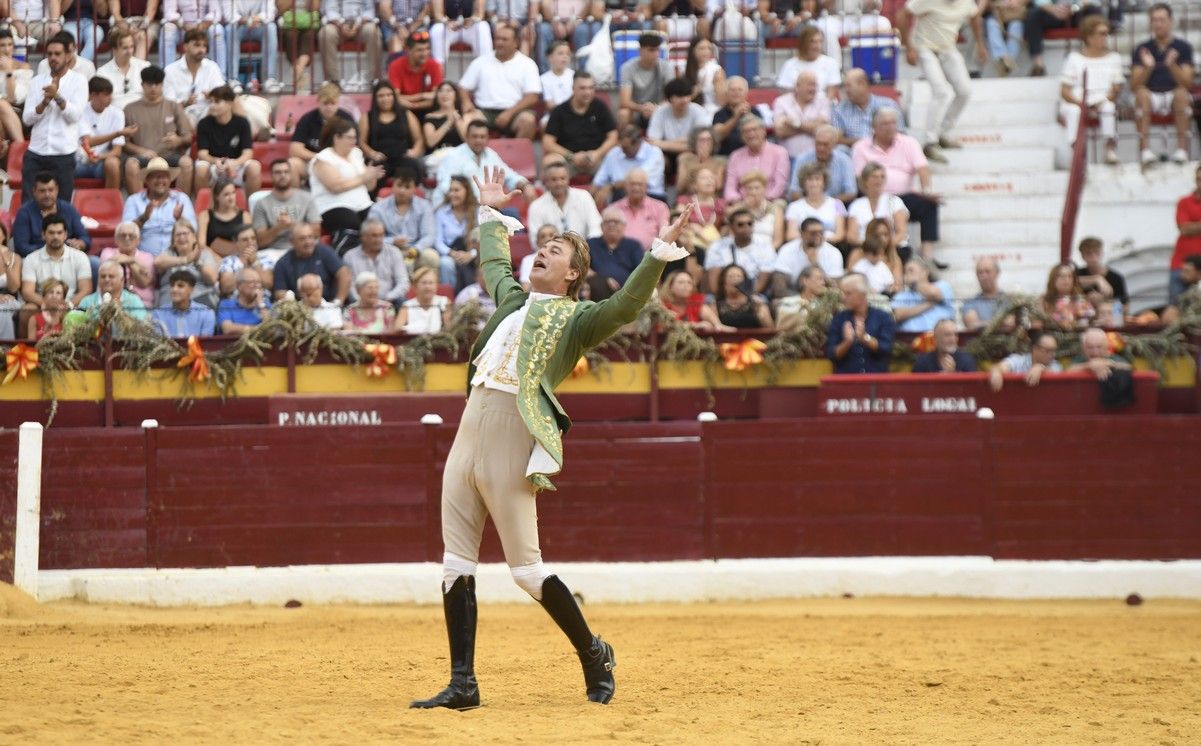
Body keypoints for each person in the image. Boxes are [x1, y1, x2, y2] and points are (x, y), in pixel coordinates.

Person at [409, 168, 694, 711]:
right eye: (541, 246)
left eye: (556, 249)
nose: (542, 251)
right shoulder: (512, 301)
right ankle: (463, 684)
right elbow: (494, 261)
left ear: (574, 274)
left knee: (525, 570)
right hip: (470, 428)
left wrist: (657, 255)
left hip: (514, 435)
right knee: (455, 562)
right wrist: (490, 215)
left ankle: (593, 652)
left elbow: (627, 306)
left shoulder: (581, 318)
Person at [851, 109, 943, 267]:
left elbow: (922, 169)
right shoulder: (861, 147)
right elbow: (860, 178)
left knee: (929, 204)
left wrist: (927, 191)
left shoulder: (909, 142)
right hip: (874, 196)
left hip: (904, 196)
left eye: (893, 123)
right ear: (874, 126)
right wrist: (875, 197)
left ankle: (928, 257)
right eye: (885, 123)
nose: (890, 127)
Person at [897, 0, 983, 164]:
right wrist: (908, 47)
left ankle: (941, 132)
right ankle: (930, 142)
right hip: (924, 47)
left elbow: (975, 17)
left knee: (965, 91)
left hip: (948, 47)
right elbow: (901, 15)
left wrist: (980, 44)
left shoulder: (967, 3)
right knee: (941, 92)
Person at [21, 32, 88, 203]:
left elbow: (75, 116)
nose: (53, 58)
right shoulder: (37, 81)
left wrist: (57, 97)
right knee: (29, 203)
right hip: (36, 151)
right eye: (49, 54)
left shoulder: (79, 81)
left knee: (62, 205)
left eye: (57, 54)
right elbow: (27, 119)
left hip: (63, 152)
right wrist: (44, 102)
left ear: (68, 56)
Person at [1131, 3, 1193, 166]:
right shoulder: (1142, 48)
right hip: (1150, 95)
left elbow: (1187, 83)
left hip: (1174, 94)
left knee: (1181, 93)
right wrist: (1148, 67)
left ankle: (1182, 151)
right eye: (1154, 20)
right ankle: (1145, 151)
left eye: (1161, 20)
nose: (1157, 24)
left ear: (1171, 21)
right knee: (1141, 93)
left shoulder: (1183, 47)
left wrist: (1172, 65)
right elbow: (1134, 85)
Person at [458, 22, 541, 140]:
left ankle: (516, 157)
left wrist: (510, 113)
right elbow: (463, 87)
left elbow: (533, 96)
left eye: (504, 39)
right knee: (466, 121)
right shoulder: (480, 62)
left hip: (515, 112)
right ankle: (473, 158)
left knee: (528, 121)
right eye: (497, 39)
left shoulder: (527, 64)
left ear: (516, 42)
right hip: (484, 111)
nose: (499, 43)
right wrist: (466, 102)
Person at [309, 117, 384, 246]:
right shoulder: (323, 158)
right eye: (349, 138)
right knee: (351, 224)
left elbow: (369, 187)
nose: (353, 142)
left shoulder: (356, 154)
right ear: (336, 138)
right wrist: (363, 178)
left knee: (379, 219)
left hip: (362, 203)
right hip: (333, 206)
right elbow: (335, 186)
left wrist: (372, 177)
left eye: (355, 138)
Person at [122, 65, 195, 195]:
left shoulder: (174, 106)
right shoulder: (130, 109)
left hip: (170, 155)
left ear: (162, 85)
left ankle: (181, 207)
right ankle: (139, 210)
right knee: (130, 165)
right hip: (143, 156)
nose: (153, 88)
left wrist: (178, 141)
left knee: (187, 163)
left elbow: (188, 137)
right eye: (149, 84)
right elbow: (123, 142)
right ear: (142, 85)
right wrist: (141, 151)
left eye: (157, 84)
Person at [1059, 15, 1122, 164]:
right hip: (1076, 100)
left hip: (1102, 100)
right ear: (1089, 36)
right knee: (1074, 111)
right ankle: (1077, 153)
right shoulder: (1073, 58)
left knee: (1109, 108)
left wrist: (1103, 101)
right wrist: (1080, 103)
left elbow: (1116, 88)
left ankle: (1109, 150)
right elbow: (1064, 90)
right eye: (1101, 33)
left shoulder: (1114, 58)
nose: (1105, 37)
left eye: (1106, 33)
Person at [432, 119, 535, 207]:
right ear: (467, 137)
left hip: (483, 209)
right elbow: (445, 186)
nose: (478, 140)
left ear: (487, 138)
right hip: (456, 209)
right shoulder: (453, 156)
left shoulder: (491, 155)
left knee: (512, 216)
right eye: (475, 136)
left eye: (482, 137)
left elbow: (509, 175)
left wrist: (525, 186)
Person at [19, 215, 93, 331]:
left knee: (86, 309)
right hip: (41, 304)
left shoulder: (80, 257)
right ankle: (26, 348)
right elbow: (27, 291)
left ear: (65, 235)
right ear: (43, 235)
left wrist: (67, 304)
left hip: (71, 303)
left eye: (59, 233)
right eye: (51, 233)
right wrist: (48, 304)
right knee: (27, 310)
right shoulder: (31, 259)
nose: (56, 236)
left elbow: (86, 289)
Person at [542, 72, 618, 177]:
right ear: (573, 89)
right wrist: (571, 156)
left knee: (617, 161)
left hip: (596, 159)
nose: (588, 92)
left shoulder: (600, 107)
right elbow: (548, 142)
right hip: (569, 160)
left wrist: (597, 154)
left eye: (591, 88)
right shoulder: (559, 111)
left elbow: (613, 136)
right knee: (549, 161)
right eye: (583, 88)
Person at [368, 165, 440, 276]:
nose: (402, 191)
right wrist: (392, 241)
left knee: (431, 257)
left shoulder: (424, 206)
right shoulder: (378, 208)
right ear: (392, 185)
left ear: (414, 189)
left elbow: (429, 236)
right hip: (388, 250)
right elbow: (371, 237)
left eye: (407, 187)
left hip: (415, 251)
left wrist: (415, 250)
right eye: (399, 185)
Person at [195, 85, 261, 195]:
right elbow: (202, 154)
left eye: (217, 101)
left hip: (236, 164)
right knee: (201, 169)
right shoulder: (204, 123)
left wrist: (234, 163)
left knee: (255, 167)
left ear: (229, 103)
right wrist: (216, 161)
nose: (212, 105)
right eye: (210, 101)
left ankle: (251, 209)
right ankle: (204, 209)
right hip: (214, 164)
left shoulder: (242, 123)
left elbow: (248, 153)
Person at [289, 82, 356, 188]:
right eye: (325, 103)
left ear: (338, 102)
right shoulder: (307, 119)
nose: (329, 107)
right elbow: (294, 149)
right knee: (292, 164)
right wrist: (321, 158)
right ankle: (298, 201)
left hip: (340, 162)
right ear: (318, 102)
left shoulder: (347, 119)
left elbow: (354, 147)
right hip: (314, 161)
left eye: (333, 103)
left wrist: (334, 160)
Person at [252, 160, 322, 262]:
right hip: (273, 251)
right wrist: (278, 228)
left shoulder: (307, 198)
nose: (282, 175)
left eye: (286, 172)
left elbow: (316, 232)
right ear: (271, 175)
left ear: (291, 174)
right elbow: (260, 241)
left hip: (303, 250)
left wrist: (292, 225)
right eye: (278, 172)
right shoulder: (261, 203)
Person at [360, 80, 425, 187]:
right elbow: (361, 142)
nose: (385, 99)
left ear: (394, 96)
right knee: (373, 176)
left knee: (412, 167)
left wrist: (414, 152)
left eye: (389, 95)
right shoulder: (367, 117)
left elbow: (419, 139)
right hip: (380, 159)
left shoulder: (407, 114)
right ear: (375, 98)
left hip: (403, 158)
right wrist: (371, 153)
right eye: (381, 96)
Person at [827, 272, 895, 374]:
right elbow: (832, 355)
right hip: (847, 382)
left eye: (848, 293)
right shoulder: (839, 318)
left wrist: (865, 338)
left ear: (862, 294)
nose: (843, 298)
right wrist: (847, 342)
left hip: (876, 381)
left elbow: (886, 349)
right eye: (843, 293)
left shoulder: (883, 317)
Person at [12, 172, 91, 258]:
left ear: (57, 189)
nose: (47, 195)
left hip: (68, 257)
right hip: (37, 259)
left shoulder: (68, 209)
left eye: (50, 190)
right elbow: (21, 246)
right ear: (34, 191)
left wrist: (80, 243)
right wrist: (50, 251)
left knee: (94, 263)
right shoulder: (24, 212)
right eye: (42, 191)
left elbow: (85, 237)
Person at [845, 162, 910, 259]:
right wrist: (871, 247)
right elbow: (851, 236)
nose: (879, 180)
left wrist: (885, 248)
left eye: (882, 177)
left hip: (892, 249)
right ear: (865, 180)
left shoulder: (895, 201)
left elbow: (901, 233)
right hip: (865, 249)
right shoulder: (856, 205)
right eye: (874, 177)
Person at [77, 77, 133, 190]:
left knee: (113, 163)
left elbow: (117, 151)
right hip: (79, 162)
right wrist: (118, 133)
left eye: (110, 94)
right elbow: (89, 142)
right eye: (106, 95)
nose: (110, 98)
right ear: (93, 95)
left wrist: (99, 157)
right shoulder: (80, 110)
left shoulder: (117, 113)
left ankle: (111, 204)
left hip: (101, 163)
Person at [273, 223, 351, 303]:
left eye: (310, 237)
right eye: (302, 239)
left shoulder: (324, 252)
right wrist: (296, 308)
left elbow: (344, 273)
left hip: (329, 305)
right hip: (300, 307)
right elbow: (279, 292)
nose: (308, 242)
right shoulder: (283, 263)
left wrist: (338, 301)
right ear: (292, 242)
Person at [706, 207, 776, 296]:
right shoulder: (718, 246)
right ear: (731, 227)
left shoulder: (765, 246)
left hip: (753, 294)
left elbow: (762, 281)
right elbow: (714, 283)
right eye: (740, 224)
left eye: (749, 224)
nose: (746, 227)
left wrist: (745, 299)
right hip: (723, 294)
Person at [1025, 0, 1104, 78]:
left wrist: (1075, 8)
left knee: (1094, 11)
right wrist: (1053, 9)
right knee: (1033, 13)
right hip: (1052, 13)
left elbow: (1093, 2)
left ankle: (1095, 55)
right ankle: (1038, 65)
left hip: (1078, 12)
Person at [591, 125, 667, 206]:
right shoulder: (614, 153)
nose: (622, 151)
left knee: (622, 191)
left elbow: (636, 181)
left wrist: (611, 186)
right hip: (622, 197)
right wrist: (588, 196)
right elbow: (598, 181)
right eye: (621, 146)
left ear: (638, 143)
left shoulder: (654, 152)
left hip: (652, 197)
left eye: (625, 148)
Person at [830, 68, 906, 148]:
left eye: (848, 86)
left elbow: (900, 135)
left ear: (862, 84)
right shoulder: (839, 110)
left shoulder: (889, 105)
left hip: (886, 151)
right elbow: (837, 139)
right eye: (844, 86)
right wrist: (866, 143)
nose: (846, 90)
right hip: (852, 154)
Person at [162, 28, 226, 123]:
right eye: (197, 45)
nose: (201, 50)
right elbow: (168, 105)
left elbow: (223, 95)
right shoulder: (170, 70)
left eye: (204, 46)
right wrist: (185, 103)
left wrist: (212, 95)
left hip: (208, 113)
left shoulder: (212, 67)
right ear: (185, 47)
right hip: (182, 114)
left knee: (233, 102)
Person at [318, 0, 382, 92]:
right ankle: (333, 81)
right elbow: (330, 9)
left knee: (373, 31)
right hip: (338, 24)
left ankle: (375, 79)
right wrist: (341, 24)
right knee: (325, 33)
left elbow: (369, 10)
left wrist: (358, 24)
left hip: (361, 24)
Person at [528, 161, 603, 240]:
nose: (559, 183)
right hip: (552, 250)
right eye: (554, 179)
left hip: (585, 249)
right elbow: (535, 239)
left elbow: (596, 226)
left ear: (568, 179)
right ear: (546, 181)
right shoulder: (536, 206)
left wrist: (588, 247)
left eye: (562, 178)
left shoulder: (584, 196)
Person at [343, 219, 411, 305]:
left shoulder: (394, 252)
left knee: (402, 302)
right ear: (363, 237)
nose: (378, 239)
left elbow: (403, 282)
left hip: (390, 300)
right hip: (361, 303)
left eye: (381, 235)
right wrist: (362, 302)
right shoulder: (350, 256)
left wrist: (388, 298)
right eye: (374, 236)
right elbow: (350, 286)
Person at [154, 218, 220, 308]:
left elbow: (212, 279)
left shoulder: (203, 254)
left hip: (200, 300)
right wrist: (185, 260)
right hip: (170, 302)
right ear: (173, 241)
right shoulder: (169, 253)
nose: (182, 237)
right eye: (178, 235)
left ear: (194, 238)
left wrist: (197, 262)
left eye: (185, 234)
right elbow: (157, 262)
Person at [772, 216, 844, 298]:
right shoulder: (787, 250)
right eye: (813, 233)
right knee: (776, 303)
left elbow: (835, 289)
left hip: (823, 298)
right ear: (802, 234)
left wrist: (815, 263)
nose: (818, 236)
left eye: (821, 233)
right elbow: (779, 288)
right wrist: (802, 300)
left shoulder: (833, 253)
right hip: (794, 297)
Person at [724, 117, 790, 204]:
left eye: (754, 129)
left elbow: (780, 184)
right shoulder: (735, 156)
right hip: (743, 203)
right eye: (746, 131)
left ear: (763, 131)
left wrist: (763, 201)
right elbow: (730, 187)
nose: (751, 134)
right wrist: (740, 202)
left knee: (779, 205)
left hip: (771, 201)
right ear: (742, 136)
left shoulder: (779, 152)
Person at [647, 77, 713, 163]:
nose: (685, 100)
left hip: (693, 153)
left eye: (687, 95)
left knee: (684, 157)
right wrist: (684, 142)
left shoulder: (699, 111)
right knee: (655, 156)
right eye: (680, 96)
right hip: (666, 153)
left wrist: (663, 143)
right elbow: (652, 141)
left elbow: (697, 144)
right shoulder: (660, 111)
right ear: (669, 98)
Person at [434, 175, 480, 291]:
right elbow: (438, 241)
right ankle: (453, 296)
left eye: (457, 190)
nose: (452, 194)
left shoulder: (476, 211)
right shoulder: (441, 213)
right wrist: (452, 253)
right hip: (450, 252)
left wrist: (471, 254)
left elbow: (482, 239)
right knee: (445, 263)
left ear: (467, 192)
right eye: (451, 190)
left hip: (473, 254)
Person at [618, 32, 673, 129]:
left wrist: (656, 108)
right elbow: (625, 101)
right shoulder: (627, 68)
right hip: (637, 110)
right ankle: (624, 142)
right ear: (640, 50)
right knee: (623, 113)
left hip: (660, 109)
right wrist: (642, 108)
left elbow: (672, 97)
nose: (656, 54)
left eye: (657, 50)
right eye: (651, 50)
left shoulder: (666, 67)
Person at [226, 0, 282, 93]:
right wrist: (247, 20)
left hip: (259, 25)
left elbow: (270, 13)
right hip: (239, 26)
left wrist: (257, 18)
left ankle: (269, 79)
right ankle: (233, 79)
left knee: (271, 27)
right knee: (230, 29)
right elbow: (229, 15)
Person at [772, 70, 829, 161]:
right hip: (788, 158)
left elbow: (822, 130)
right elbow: (780, 132)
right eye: (810, 85)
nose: (813, 89)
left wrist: (795, 123)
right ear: (797, 86)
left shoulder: (823, 102)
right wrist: (811, 128)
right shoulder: (781, 102)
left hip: (815, 158)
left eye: (815, 85)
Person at [535, 0, 605, 74]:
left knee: (583, 30)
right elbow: (545, 4)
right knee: (542, 30)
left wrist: (576, 20)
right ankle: (544, 73)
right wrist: (554, 21)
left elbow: (590, 4)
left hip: (580, 21)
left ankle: (584, 74)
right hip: (552, 21)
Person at [586, 208, 644, 294]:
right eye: (608, 222)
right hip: (596, 293)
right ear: (601, 226)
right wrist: (603, 279)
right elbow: (582, 268)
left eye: (616, 222)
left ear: (624, 226)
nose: (611, 225)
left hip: (627, 293)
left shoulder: (634, 246)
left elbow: (640, 272)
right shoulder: (590, 244)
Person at [610, 169, 670, 251]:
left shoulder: (660, 207)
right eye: (632, 184)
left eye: (640, 184)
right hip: (620, 258)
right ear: (625, 186)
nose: (636, 188)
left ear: (646, 186)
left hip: (650, 258)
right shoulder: (613, 209)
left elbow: (664, 234)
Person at [423, 81, 485, 160]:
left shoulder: (464, 116)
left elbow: (468, 140)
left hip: (460, 157)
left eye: (448, 91)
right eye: (440, 91)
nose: (444, 94)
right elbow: (430, 142)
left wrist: (457, 121)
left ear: (456, 96)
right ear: (437, 96)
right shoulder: (430, 117)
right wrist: (448, 122)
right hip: (437, 157)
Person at [160, 0, 226, 74]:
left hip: (204, 27)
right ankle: (165, 75)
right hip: (181, 27)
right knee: (167, 29)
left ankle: (221, 76)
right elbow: (169, 12)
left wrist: (203, 24)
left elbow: (216, 12)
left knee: (217, 30)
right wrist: (183, 24)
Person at [99, 222, 156, 308]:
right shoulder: (107, 252)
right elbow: (110, 264)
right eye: (123, 235)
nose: (127, 238)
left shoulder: (147, 257)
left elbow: (144, 282)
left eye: (131, 236)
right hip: (111, 303)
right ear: (116, 239)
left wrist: (129, 261)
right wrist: (134, 261)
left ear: (138, 240)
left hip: (142, 304)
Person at [785, 164, 846, 245]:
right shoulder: (794, 206)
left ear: (824, 182)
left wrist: (819, 240)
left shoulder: (837, 204)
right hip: (802, 246)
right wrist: (811, 241)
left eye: (817, 179)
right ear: (803, 183)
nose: (814, 183)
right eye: (809, 179)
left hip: (831, 246)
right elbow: (791, 235)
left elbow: (840, 235)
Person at [891, 256, 954, 333]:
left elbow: (934, 294)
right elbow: (898, 315)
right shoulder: (901, 295)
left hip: (938, 337)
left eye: (911, 270)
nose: (907, 274)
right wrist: (929, 304)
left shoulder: (942, 285)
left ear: (925, 272)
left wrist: (917, 284)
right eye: (905, 272)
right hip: (911, 339)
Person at [776, 26, 841, 99]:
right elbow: (786, 93)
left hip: (823, 106)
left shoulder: (831, 63)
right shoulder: (790, 64)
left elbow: (831, 94)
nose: (817, 46)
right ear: (803, 43)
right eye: (813, 42)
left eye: (820, 41)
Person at [388, 29, 442, 113]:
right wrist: (421, 96)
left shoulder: (434, 65)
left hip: (428, 109)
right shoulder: (396, 65)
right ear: (408, 50)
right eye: (420, 50)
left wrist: (415, 105)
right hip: (404, 109)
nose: (425, 53)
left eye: (427, 49)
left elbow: (436, 96)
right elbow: (394, 97)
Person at [988, 330, 1061, 392]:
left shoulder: (1055, 365)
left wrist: (1041, 368)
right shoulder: (1018, 360)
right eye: (1048, 350)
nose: (1052, 354)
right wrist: (996, 371)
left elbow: (1054, 373)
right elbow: (1000, 367)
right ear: (1034, 349)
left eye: (1054, 350)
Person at [77, 258, 149, 319]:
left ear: (122, 280)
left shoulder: (133, 301)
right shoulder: (87, 302)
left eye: (111, 276)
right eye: (103, 276)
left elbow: (140, 327)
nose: (107, 279)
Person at [660, 269, 729, 331]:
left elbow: (715, 324)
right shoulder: (662, 304)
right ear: (670, 286)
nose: (686, 286)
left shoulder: (696, 302)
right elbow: (667, 325)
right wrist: (695, 325)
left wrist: (717, 325)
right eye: (681, 282)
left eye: (689, 283)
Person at [710, 76, 763, 157]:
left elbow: (761, 136)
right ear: (726, 94)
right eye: (732, 90)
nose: (736, 93)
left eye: (740, 90)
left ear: (746, 94)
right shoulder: (719, 114)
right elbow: (717, 136)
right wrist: (735, 117)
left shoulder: (755, 112)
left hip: (752, 156)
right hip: (726, 157)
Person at [198, 179, 251, 259]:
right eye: (226, 194)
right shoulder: (205, 215)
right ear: (216, 197)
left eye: (233, 193)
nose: (231, 198)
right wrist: (218, 259)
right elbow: (201, 245)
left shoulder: (245, 216)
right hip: (211, 258)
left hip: (238, 258)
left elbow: (249, 243)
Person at [217, 224, 274, 298]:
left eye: (253, 238)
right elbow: (226, 288)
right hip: (235, 303)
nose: (250, 242)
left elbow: (268, 284)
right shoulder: (229, 261)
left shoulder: (265, 259)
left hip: (262, 302)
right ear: (235, 242)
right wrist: (244, 264)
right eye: (245, 240)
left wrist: (255, 262)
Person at [154, 269, 216, 335]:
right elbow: (158, 343)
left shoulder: (206, 313)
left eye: (180, 286)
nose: (174, 289)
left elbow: (205, 344)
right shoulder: (158, 314)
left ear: (191, 289)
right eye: (172, 285)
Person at [429, 0, 492, 65]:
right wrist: (447, 22)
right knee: (437, 29)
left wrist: (472, 20)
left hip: (469, 26)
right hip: (449, 26)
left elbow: (479, 14)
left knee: (483, 26)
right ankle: (438, 67)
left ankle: (485, 66)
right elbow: (438, 15)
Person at [1172, 165, 1201, 305]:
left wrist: (1193, 225)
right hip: (1181, 265)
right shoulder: (1184, 202)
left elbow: (1188, 228)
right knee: (1176, 307)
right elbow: (1184, 229)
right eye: (1198, 179)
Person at [1076, 236, 1128, 313]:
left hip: (1107, 322)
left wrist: (1104, 301)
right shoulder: (1077, 273)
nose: (1093, 257)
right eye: (1088, 253)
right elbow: (1071, 282)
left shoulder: (1116, 278)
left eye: (1096, 252)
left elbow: (1125, 308)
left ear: (1102, 253)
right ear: (1082, 256)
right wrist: (1096, 279)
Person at [713, 263, 773, 330]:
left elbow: (770, 330)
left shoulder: (756, 303)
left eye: (738, 276)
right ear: (723, 281)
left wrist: (761, 314)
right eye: (730, 276)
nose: (735, 279)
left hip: (754, 340)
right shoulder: (715, 305)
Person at [394, 265, 451, 334]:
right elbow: (396, 331)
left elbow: (450, 329)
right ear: (415, 286)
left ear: (437, 285)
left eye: (431, 283)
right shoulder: (406, 306)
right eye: (424, 283)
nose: (427, 287)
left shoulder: (444, 302)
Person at [216, 267, 272, 334]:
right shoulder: (226, 304)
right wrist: (259, 330)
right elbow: (228, 329)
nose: (257, 285)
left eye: (259, 282)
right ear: (239, 285)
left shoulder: (265, 305)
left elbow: (271, 328)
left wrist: (260, 304)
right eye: (252, 282)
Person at [280, 0, 320, 92]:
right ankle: (300, 74)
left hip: (308, 22)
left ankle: (297, 73)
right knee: (290, 36)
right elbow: (281, 9)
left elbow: (315, 8)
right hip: (289, 23)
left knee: (309, 35)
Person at [1040, 262, 1095, 330]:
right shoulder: (1044, 300)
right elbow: (1040, 320)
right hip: (1052, 334)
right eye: (1062, 276)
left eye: (1070, 276)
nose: (1066, 280)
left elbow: (1091, 315)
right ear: (1053, 279)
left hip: (1078, 334)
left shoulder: (1081, 299)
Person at [676, 127, 727, 198]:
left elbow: (718, 185)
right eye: (701, 140)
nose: (705, 143)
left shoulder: (719, 162)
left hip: (712, 199)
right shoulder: (685, 160)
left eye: (709, 140)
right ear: (694, 142)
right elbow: (680, 187)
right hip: (690, 198)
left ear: (713, 143)